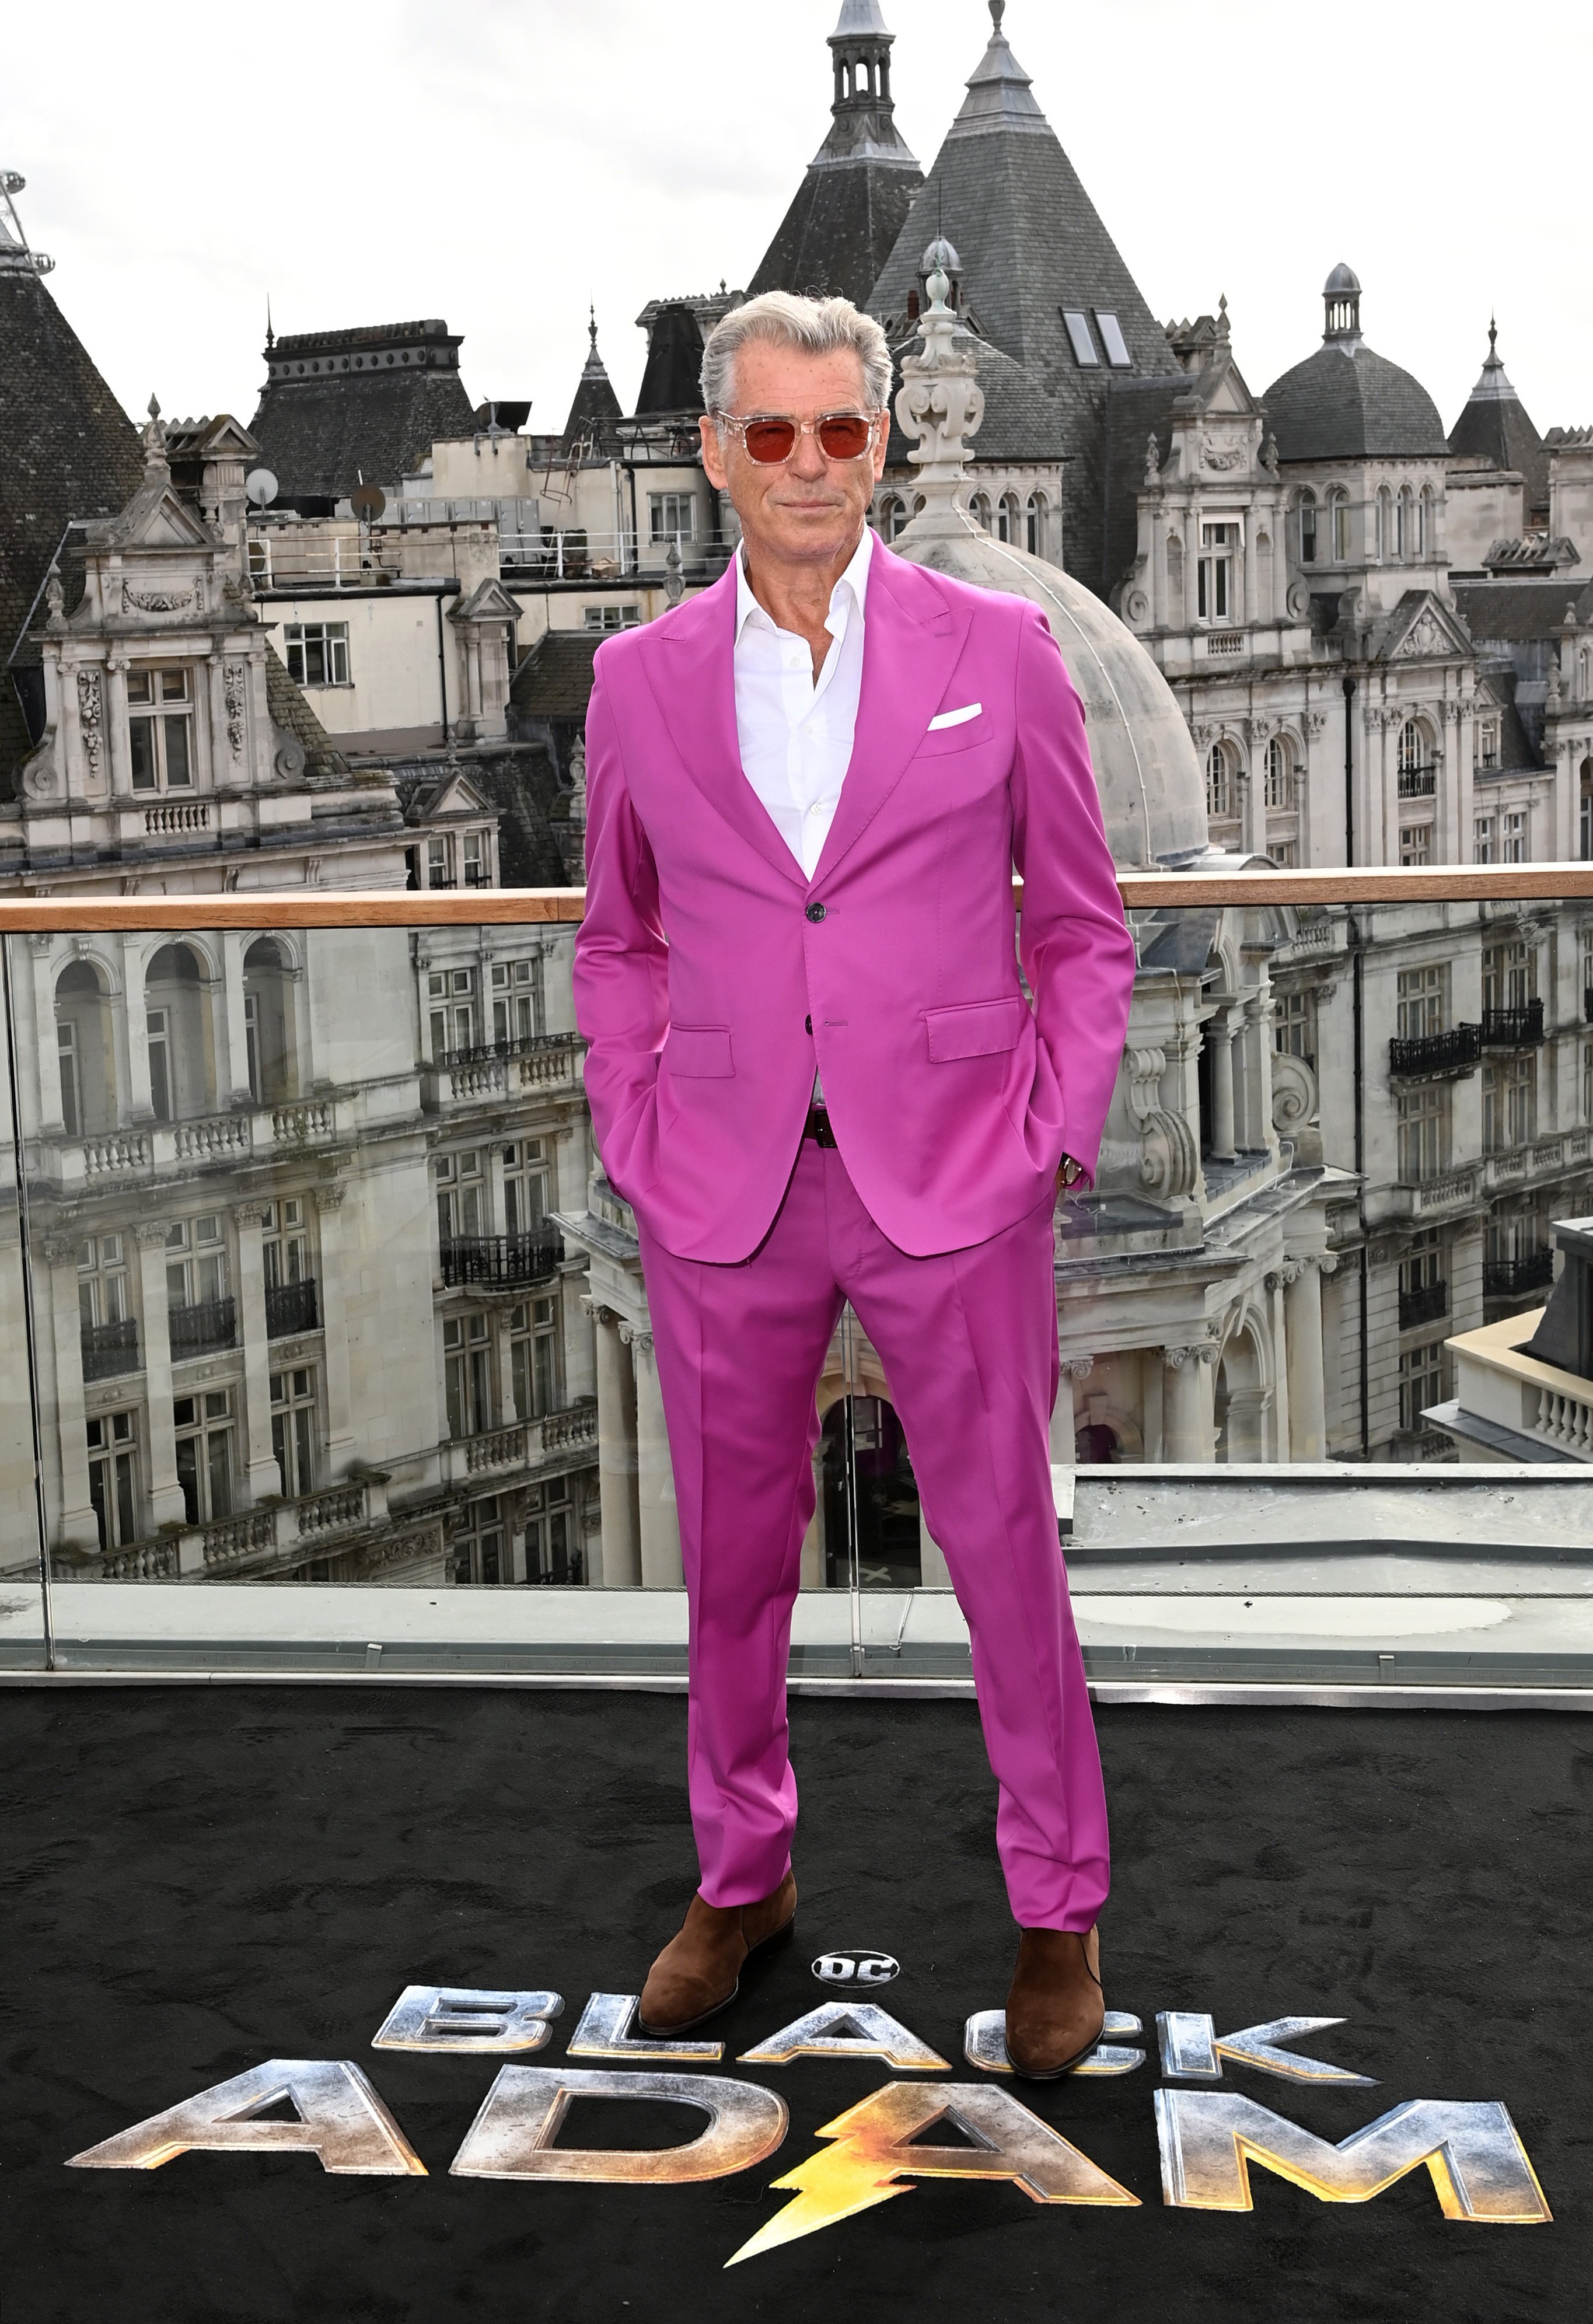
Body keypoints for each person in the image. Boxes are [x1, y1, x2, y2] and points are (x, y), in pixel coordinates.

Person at [572, 291, 1137, 2078]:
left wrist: (1048, 1134)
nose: (809, 468)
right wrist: (632, 1126)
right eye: (770, 435)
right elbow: (616, 939)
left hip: (956, 1180)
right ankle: (741, 1879)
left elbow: (1083, 927)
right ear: (711, 452)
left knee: (1002, 1559)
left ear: (884, 440)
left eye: (840, 432)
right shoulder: (635, 678)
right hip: (723, 1185)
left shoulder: (1003, 648)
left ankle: (1058, 1910)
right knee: (731, 1568)